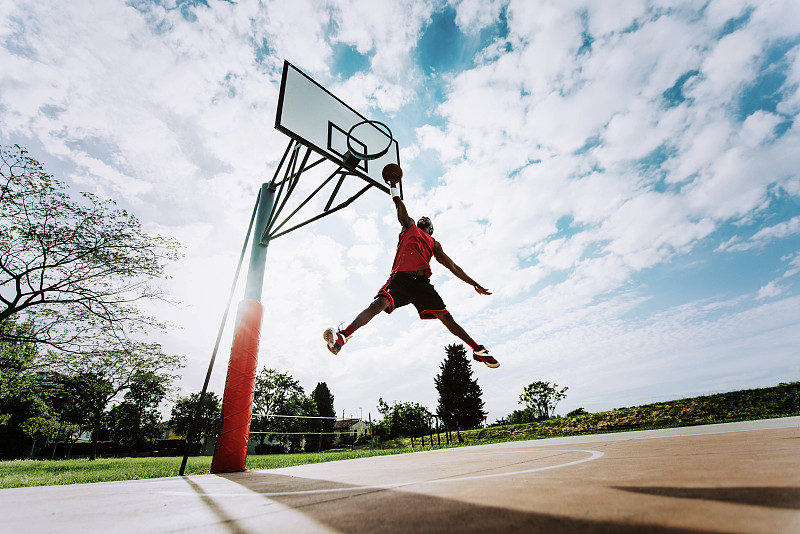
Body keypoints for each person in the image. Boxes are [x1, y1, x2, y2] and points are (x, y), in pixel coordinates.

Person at [324, 172, 499, 368]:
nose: (423, 218)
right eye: (422, 217)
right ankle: (343, 336)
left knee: (447, 317)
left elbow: (453, 266)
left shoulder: (434, 244)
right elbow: (399, 205)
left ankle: (478, 350)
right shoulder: (410, 226)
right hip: (400, 280)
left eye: (427, 219)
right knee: (377, 305)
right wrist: (394, 186)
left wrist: (474, 283)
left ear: (431, 229)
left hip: (422, 285)